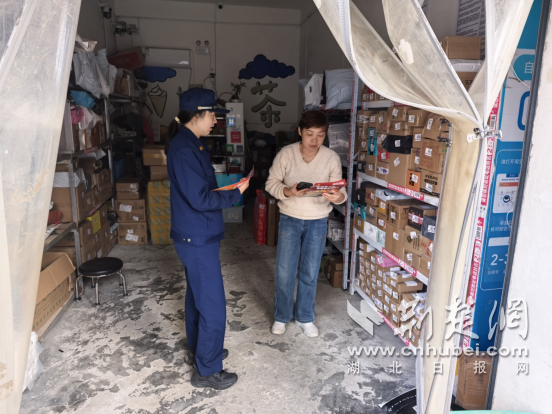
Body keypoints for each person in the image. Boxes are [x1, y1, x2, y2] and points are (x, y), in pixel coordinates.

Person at [166, 88, 249, 390]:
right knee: (213, 305)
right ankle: (208, 370)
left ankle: (200, 350)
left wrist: (228, 190)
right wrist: (235, 194)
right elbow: (201, 199)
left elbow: (200, 191)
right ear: (197, 114)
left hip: (197, 235)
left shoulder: (191, 144)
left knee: (196, 298)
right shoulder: (185, 149)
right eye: (213, 114)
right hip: (197, 237)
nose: (216, 120)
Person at [265, 111, 347, 338]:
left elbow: (341, 193)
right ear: (300, 131)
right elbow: (271, 183)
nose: (314, 140)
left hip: (318, 221)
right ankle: (282, 316)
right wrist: (288, 191)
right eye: (310, 133)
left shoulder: (331, 157)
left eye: (320, 135)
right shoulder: (286, 154)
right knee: (285, 272)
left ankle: (304, 317)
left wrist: (337, 197)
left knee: (310, 271)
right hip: (290, 218)